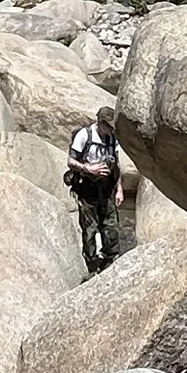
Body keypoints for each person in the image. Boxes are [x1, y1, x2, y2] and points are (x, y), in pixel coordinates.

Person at [65, 102, 130, 272]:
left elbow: (116, 165)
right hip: (87, 189)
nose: (111, 130)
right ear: (100, 122)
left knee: (111, 225)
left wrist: (120, 189)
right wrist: (88, 168)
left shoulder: (112, 139)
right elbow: (70, 161)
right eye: (108, 126)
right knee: (90, 229)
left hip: (106, 188)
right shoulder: (84, 135)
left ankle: (110, 258)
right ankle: (92, 263)